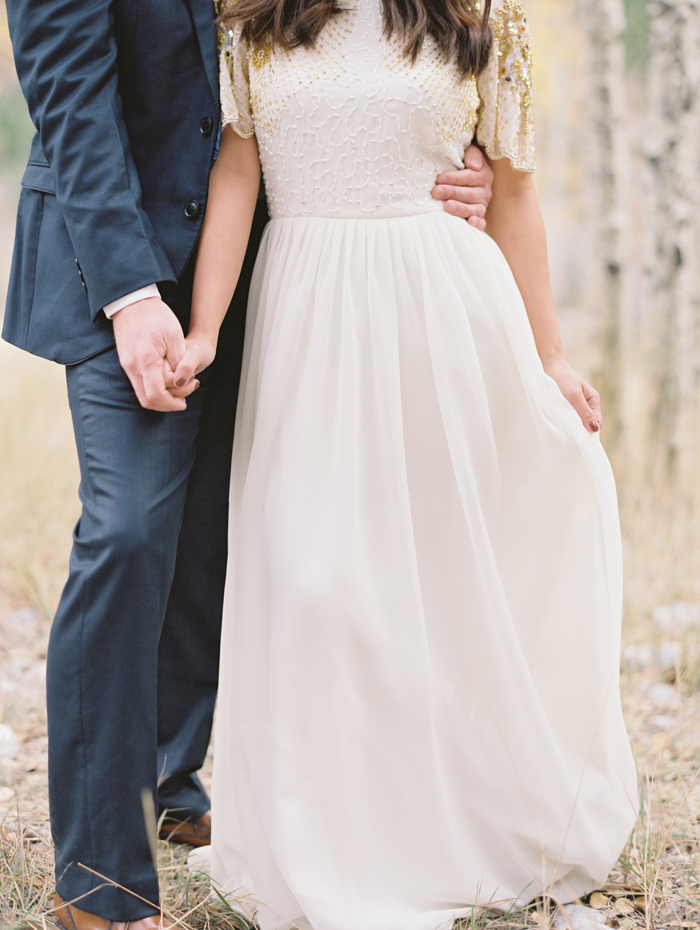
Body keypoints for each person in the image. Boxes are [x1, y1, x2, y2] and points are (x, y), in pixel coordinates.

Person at [2, 0, 494, 927]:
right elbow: (67, 90)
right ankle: (99, 879)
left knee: (234, 529)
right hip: (119, 257)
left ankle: (168, 775)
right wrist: (128, 293)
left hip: (289, 259)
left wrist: (455, 159)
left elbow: (382, 41)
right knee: (129, 529)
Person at [175, 0, 640, 926]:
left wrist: (549, 355)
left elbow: (512, 189)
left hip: (439, 315)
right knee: (313, 583)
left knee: (430, 585)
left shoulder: (482, 15)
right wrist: (205, 331)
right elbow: (237, 172)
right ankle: (324, 837)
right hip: (305, 318)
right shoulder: (253, 19)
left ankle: (439, 827)